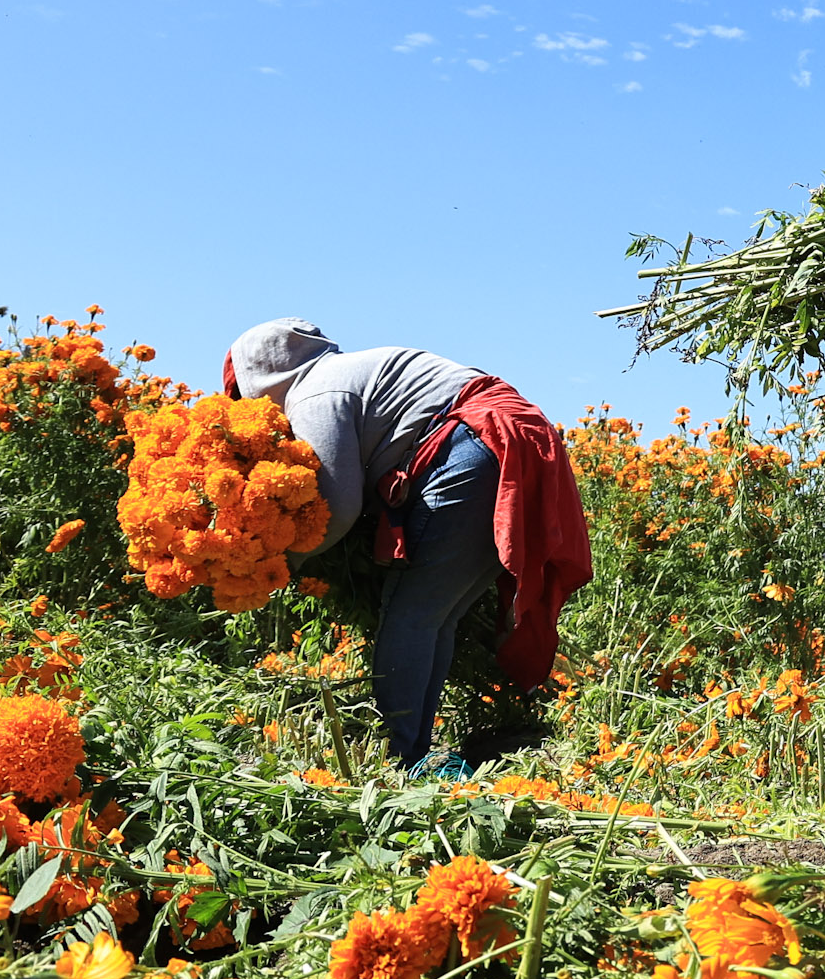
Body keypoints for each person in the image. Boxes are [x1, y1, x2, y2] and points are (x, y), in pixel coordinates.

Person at [223, 320, 592, 775]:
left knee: (411, 614)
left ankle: (403, 756)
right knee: (438, 615)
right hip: (511, 438)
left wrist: (280, 563)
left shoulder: (315, 392)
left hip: (477, 443)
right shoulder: (348, 371)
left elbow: (337, 506)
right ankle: (416, 749)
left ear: (259, 379)